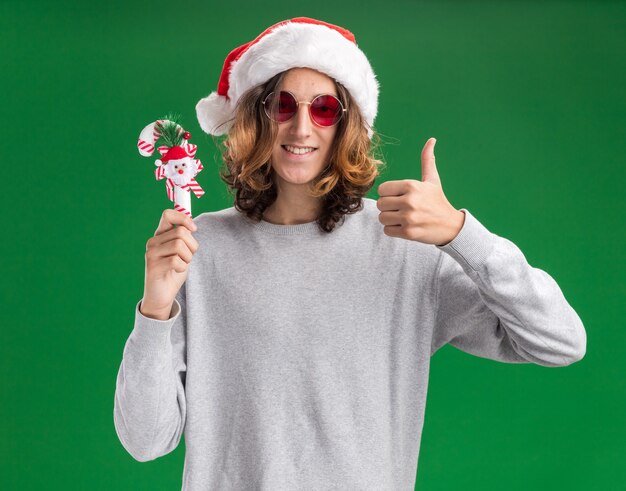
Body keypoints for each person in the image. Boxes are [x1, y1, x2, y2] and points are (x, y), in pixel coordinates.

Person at [113, 17, 587, 490]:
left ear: (347, 125)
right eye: (281, 105)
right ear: (256, 117)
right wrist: (156, 308)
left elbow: (561, 340)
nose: (301, 127)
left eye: (323, 109)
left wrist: (460, 234)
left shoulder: (406, 247)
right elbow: (145, 440)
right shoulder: (200, 250)